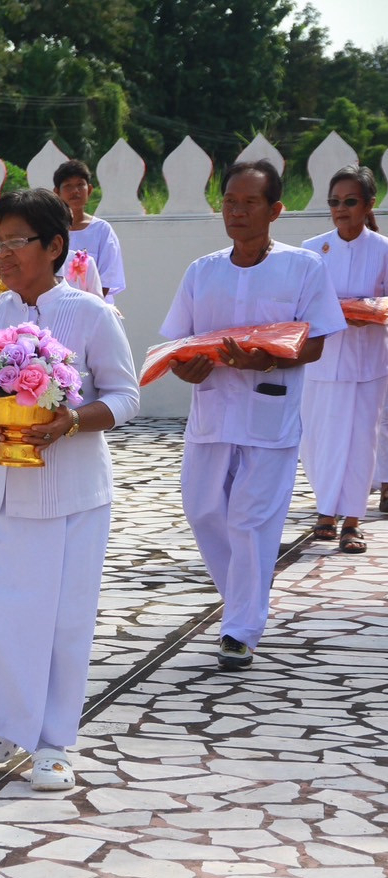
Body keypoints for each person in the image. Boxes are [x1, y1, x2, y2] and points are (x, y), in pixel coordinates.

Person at [0, 188, 140, 791]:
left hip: (72, 495)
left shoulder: (91, 314)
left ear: (55, 245)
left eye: (15, 242)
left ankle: (54, 742)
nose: (2, 254)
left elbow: (125, 395)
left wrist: (71, 421)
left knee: (61, 621)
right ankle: (6, 724)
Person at [162, 160, 345, 670]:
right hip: (212, 411)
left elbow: (316, 343)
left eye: (249, 203)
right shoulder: (203, 270)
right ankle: (246, 599)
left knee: (250, 521)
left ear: (275, 210)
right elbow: (180, 343)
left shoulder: (303, 267)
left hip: (270, 410)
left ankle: (240, 627)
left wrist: (266, 357)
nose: (237, 213)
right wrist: (186, 370)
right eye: (229, 202)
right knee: (202, 510)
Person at [301, 165, 388, 553]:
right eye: (335, 202)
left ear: (369, 204)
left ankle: (352, 520)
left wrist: (365, 311)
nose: (341, 209)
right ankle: (325, 512)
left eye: (350, 202)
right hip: (322, 361)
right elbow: (301, 305)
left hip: (368, 363)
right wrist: (337, 313)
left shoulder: (383, 250)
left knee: (360, 441)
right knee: (320, 440)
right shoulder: (311, 249)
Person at [53, 160, 126, 302]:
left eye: (80, 185)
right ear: (57, 192)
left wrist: (88, 307)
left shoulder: (102, 230)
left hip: (94, 309)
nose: (75, 191)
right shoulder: (48, 230)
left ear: (90, 190)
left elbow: (108, 278)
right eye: (68, 186)